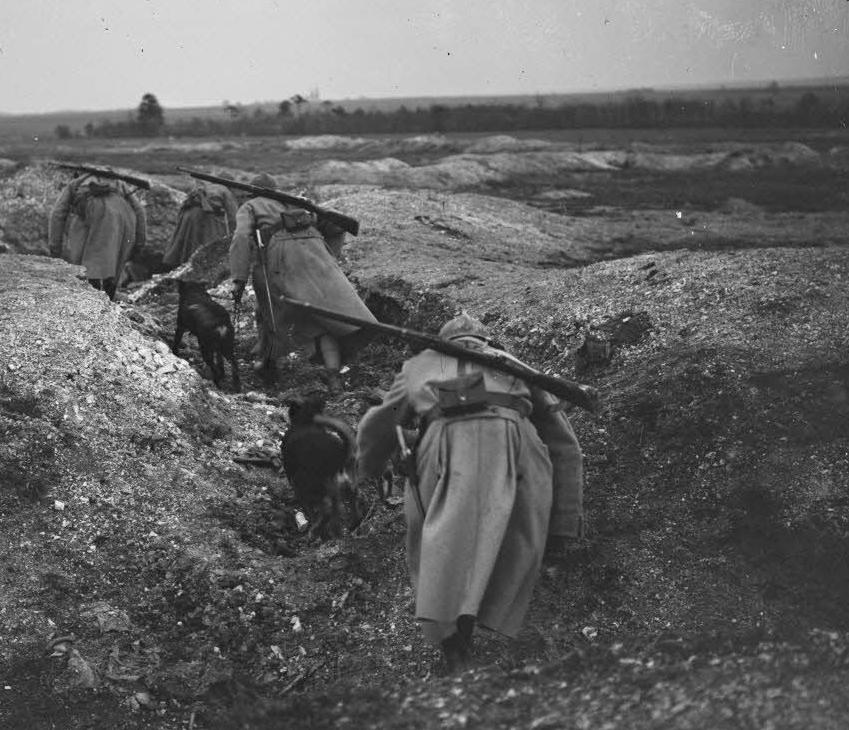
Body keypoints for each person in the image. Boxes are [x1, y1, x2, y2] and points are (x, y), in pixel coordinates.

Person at [355, 313, 584, 675]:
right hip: (514, 443)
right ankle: (500, 623)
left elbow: (381, 424)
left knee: (432, 535)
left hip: (447, 446)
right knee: (516, 532)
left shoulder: (420, 365)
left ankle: (453, 640)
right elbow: (562, 439)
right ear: (487, 341)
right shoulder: (512, 364)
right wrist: (564, 520)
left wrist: (366, 468)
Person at [227, 173, 376, 393]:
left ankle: (269, 368)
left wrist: (238, 279)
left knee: (273, 313)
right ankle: (334, 375)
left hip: (281, 257)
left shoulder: (250, 206)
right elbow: (336, 226)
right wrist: (330, 258)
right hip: (315, 251)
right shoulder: (296, 202)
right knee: (323, 315)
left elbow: (240, 238)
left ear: (253, 192)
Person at [48, 173, 148, 301]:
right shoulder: (119, 183)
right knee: (113, 261)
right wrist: (140, 242)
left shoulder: (76, 184)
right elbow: (139, 210)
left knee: (85, 263)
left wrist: (55, 248)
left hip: (95, 213)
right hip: (123, 217)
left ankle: (91, 295)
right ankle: (109, 297)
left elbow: (58, 214)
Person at [162, 182, 231, 269]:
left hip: (195, 218)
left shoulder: (187, 208)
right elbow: (208, 210)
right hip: (198, 221)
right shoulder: (196, 210)